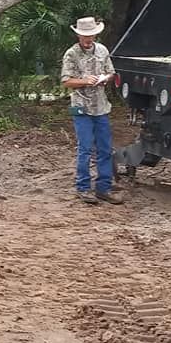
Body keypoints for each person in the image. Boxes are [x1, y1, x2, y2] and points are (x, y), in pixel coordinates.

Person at [60, 17, 123, 205]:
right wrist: (84, 81)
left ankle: (103, 188)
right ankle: (83, 188)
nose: (88, 39)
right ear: (78, 35)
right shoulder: (71, 54)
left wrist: (104, 78)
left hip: (101, 106)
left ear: (95, 34)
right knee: (85, 148)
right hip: (81, 107)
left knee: (104, 148)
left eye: (91, 35)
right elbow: (66, 81)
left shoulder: (103, 50)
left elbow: (111, 73)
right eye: (84, 35)